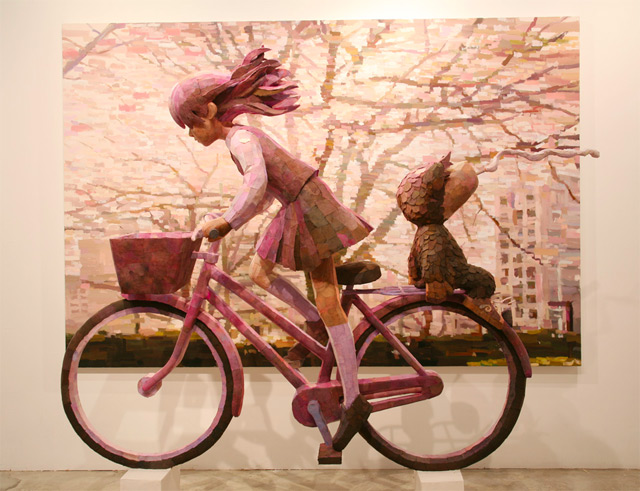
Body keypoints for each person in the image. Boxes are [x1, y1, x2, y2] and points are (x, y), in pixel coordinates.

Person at [169, 47, 372, 449]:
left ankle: (353, 399)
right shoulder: (241, 139)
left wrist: (228, 221)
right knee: (259, 272)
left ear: (208, 112)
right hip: (300, 204)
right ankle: (315, 324)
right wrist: (228, 219)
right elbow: (261, 194)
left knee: (328, 300)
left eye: (191, 124)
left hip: (310, 207)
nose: (191, 134)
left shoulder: (241, 138)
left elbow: (256, 184)